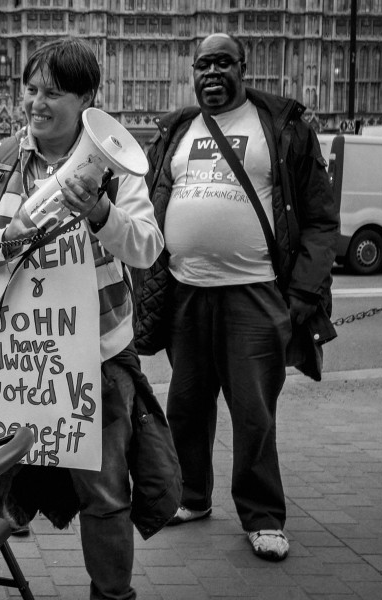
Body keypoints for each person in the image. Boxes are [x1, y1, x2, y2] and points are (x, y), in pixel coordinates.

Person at [0, 39, 165, 600]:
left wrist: (100, 213)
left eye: (53, 92)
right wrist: (12, 236)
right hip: (11, 355)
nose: (36, 102)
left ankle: (111, 594)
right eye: (31, 89)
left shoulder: (116, 168)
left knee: (105, 493)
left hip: (95, 356)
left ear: (87, 99)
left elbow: (146, 248)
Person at [135, 33, 338, 562]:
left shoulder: (282, 127)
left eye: (223, 62)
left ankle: (263, 515)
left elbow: (319, 220)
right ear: (193, 73)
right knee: (185, 405)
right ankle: (191, 495)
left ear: (244, 68)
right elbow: (149, 195)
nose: (212, 73)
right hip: (186, 291)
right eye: (203, 64)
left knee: (254, 413)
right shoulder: (176, 130)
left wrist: (301, 294)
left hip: (253, 293)